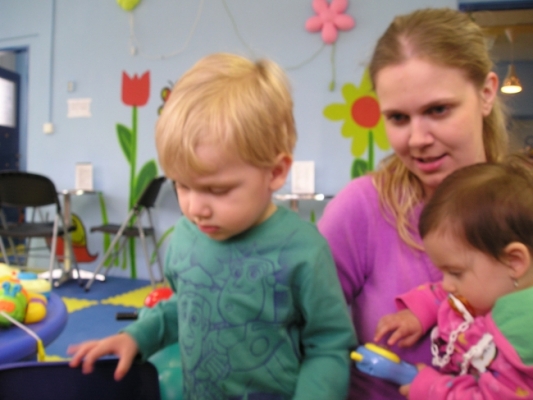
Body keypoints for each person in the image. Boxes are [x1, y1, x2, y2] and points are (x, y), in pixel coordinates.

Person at [68, 53, 357, 399]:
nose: (195, 208)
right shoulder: (186, 237)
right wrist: (137, 336)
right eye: (182, 185)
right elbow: (184, 306)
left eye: (217, 190)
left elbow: (329, 344)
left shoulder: (304, 251)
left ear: (276, 172)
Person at [317, 7, 508, 399]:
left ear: (486, 93)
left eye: (438, 110)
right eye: (398, 118)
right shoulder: (362, 209)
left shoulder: (521, 209)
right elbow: (305, 332)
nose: (418, 138)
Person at [374, 158, 533, 399]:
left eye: (456, 273)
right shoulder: (494, 287)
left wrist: (430, 389)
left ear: (514, 262)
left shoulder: (521, 336)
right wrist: (420, 311)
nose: (447, 284)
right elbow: (445, 293)